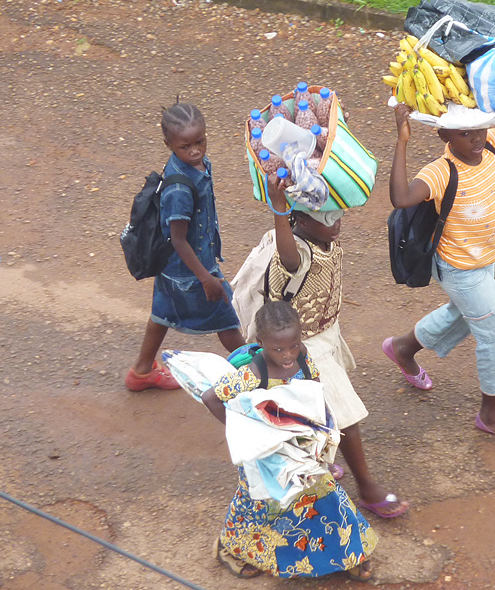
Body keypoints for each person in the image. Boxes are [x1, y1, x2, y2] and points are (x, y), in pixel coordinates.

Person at [383, 80, 495, 439]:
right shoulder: (440, 171)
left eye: (480, 127)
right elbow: (401, 198)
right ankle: (492, 415)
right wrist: (402, 141)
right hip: (461, 269)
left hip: (484, 261)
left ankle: (402, 348)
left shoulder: (493, 142)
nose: (476, 138)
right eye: (465, 133)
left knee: (463, 316)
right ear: (444, 134)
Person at [242, 173, 409, 518]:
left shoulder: (324, 242)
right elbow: (288, 254)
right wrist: (278, 208)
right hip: (303, 346)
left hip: (326, 333)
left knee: (312, 412)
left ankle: (317, 462)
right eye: (326, 216)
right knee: (344, 415)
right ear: (300, 220)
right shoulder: (295, 253)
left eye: (339, 213)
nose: (337, 223)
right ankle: (368, 488)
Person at [202, 301, 377, 580]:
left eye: (294, 345)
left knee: (326, 495)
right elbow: (211, 397)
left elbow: (314, 387)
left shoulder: (303, 358)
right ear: (261, 343)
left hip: (300, 450)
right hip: (263, 456)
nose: (288, 355)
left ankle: (348, 552)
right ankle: (229, 548)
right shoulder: (252, 375)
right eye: (278, 349)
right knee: (256, 503)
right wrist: (241, 430)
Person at [125, 101, 243, 391]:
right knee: (226, 319)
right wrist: (206, 278)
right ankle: (262, 374)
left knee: (162, 314)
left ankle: (141, 372)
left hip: (174, 268)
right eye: (185, 146)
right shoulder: (179, 188)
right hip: (192, 271)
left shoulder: (196, 166)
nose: (195, 151)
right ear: (168, 144)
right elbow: (178, 238)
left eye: (200, 142)